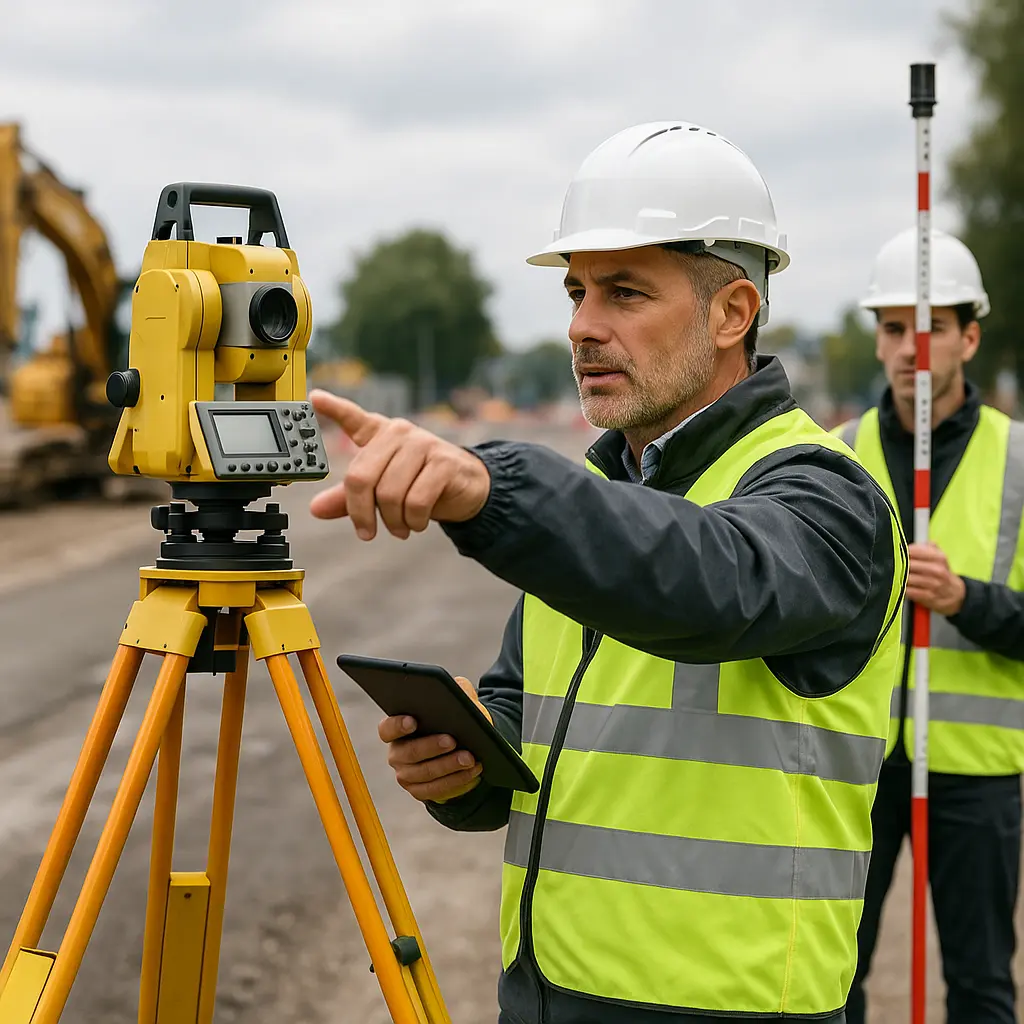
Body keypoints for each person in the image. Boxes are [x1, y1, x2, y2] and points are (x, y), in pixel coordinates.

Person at [309, 122, 908, 1024]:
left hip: (728, 1007)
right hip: (549, 992)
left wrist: (491, 487)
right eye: (577, 292)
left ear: (732, 312)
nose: (584, 327)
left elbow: (710, 581)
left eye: (626, 293)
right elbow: (530, 718)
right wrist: (469, 763)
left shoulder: (828, 495)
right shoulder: (601, 493)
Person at [837, 228, 1024, 1024]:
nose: (913, 347)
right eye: (893, 328)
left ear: (969, 337)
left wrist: (966, 600)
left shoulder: (1018, 461)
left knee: (981, 985)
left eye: (934, 326)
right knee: (827, 978)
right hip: (852, 762)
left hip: (976, 772)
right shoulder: (833, 459)